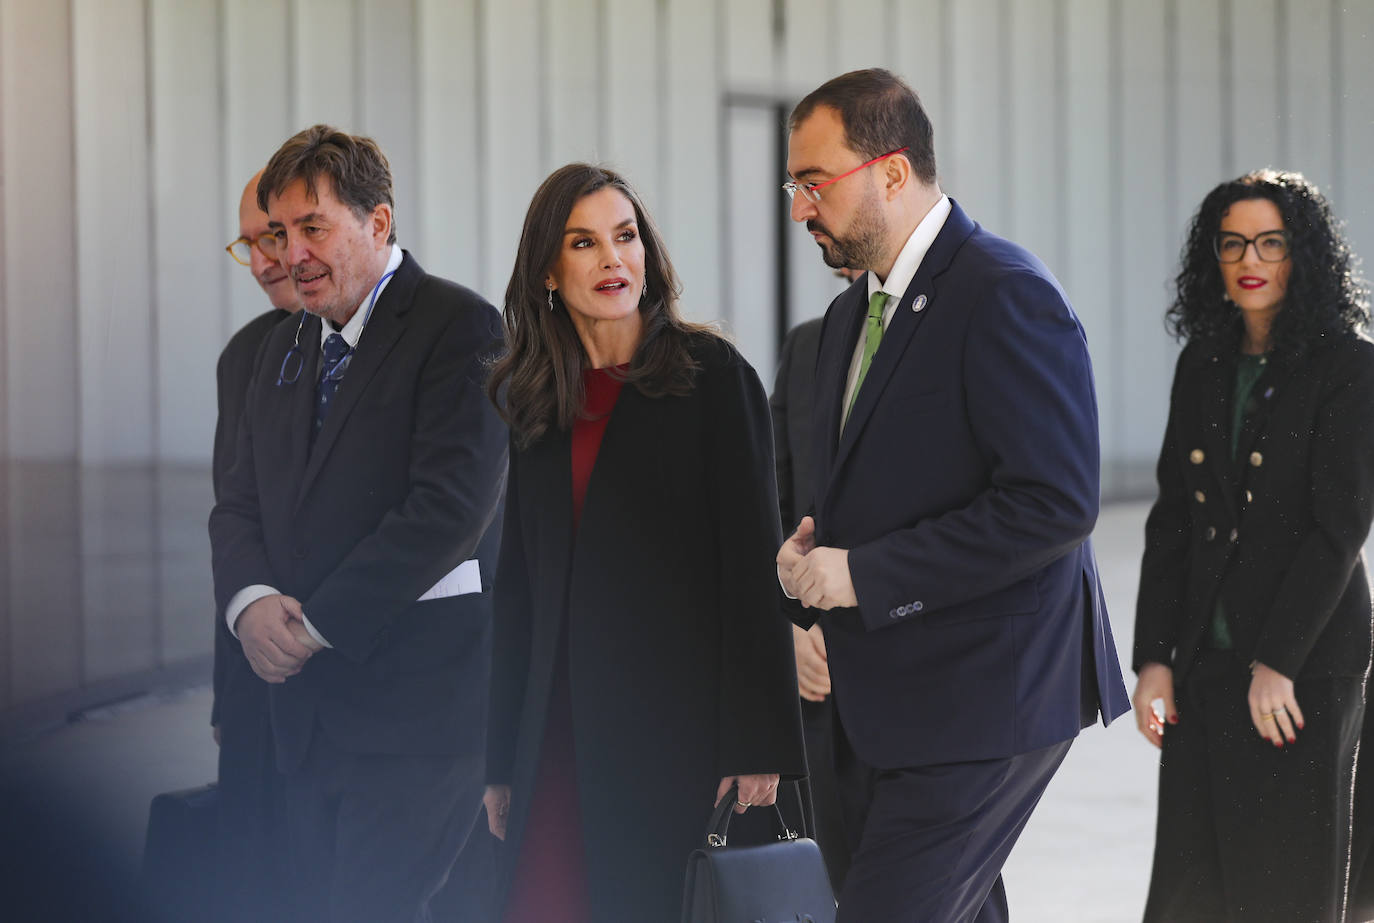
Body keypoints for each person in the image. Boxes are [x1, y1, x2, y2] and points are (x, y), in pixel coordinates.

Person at [774, 68, 1130, 922]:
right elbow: (818, 498)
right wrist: (794, 576)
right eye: (794, 186)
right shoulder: (827, 334)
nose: (799, 209)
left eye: (814, 184)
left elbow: (1053, 502)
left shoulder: (1006, 293)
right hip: (874, 701)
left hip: (988, 697)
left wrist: (862, 574)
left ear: (892, 173)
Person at [481, 162, 806, 922]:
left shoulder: (713, 376)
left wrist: (758, 740)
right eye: (585, 243)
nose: (612, 259)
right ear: (550, 272)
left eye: (625, 237)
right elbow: (519, 588)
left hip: (674, 732)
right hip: (557, 730)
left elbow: (752, 566)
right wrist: (502, 759)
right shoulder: (536, 397)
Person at [208, 125, 507, 922]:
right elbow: (236, 503)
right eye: (279, 233)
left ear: (378, 223)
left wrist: (314, 625)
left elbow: (449, 507)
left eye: (313, 227)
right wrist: (251, 603)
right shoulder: (280, 348)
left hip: (417, 718)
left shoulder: (460, 328)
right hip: (304, 718)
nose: (291, 253)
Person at [1132, 169, 1374, 923]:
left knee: (1286, 892)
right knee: (1188, 890)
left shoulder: (1349, 366)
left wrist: (1279, 660)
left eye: (1271, 241)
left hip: (1301, 671)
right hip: (1207, 662)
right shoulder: (1201, 362)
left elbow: (1339, 526)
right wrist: (1155, 659)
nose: (1251, 258)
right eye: (1233, 241)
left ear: (1302, 255)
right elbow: (1172, 519)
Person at [208, 168, 300, 922]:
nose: (267, 258)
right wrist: (224, 688)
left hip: (358, 673)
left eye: (276, 235)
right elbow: (232, 520)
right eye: (251, 243)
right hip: (253, 679)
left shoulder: (419, 342)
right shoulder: (244, 356)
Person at [770, 266, 863, 892]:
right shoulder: (810, 344)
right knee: (829, 867)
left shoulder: (956, 338)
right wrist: (791, 626)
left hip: (915, 665)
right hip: (819, 674)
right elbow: (769, 504)